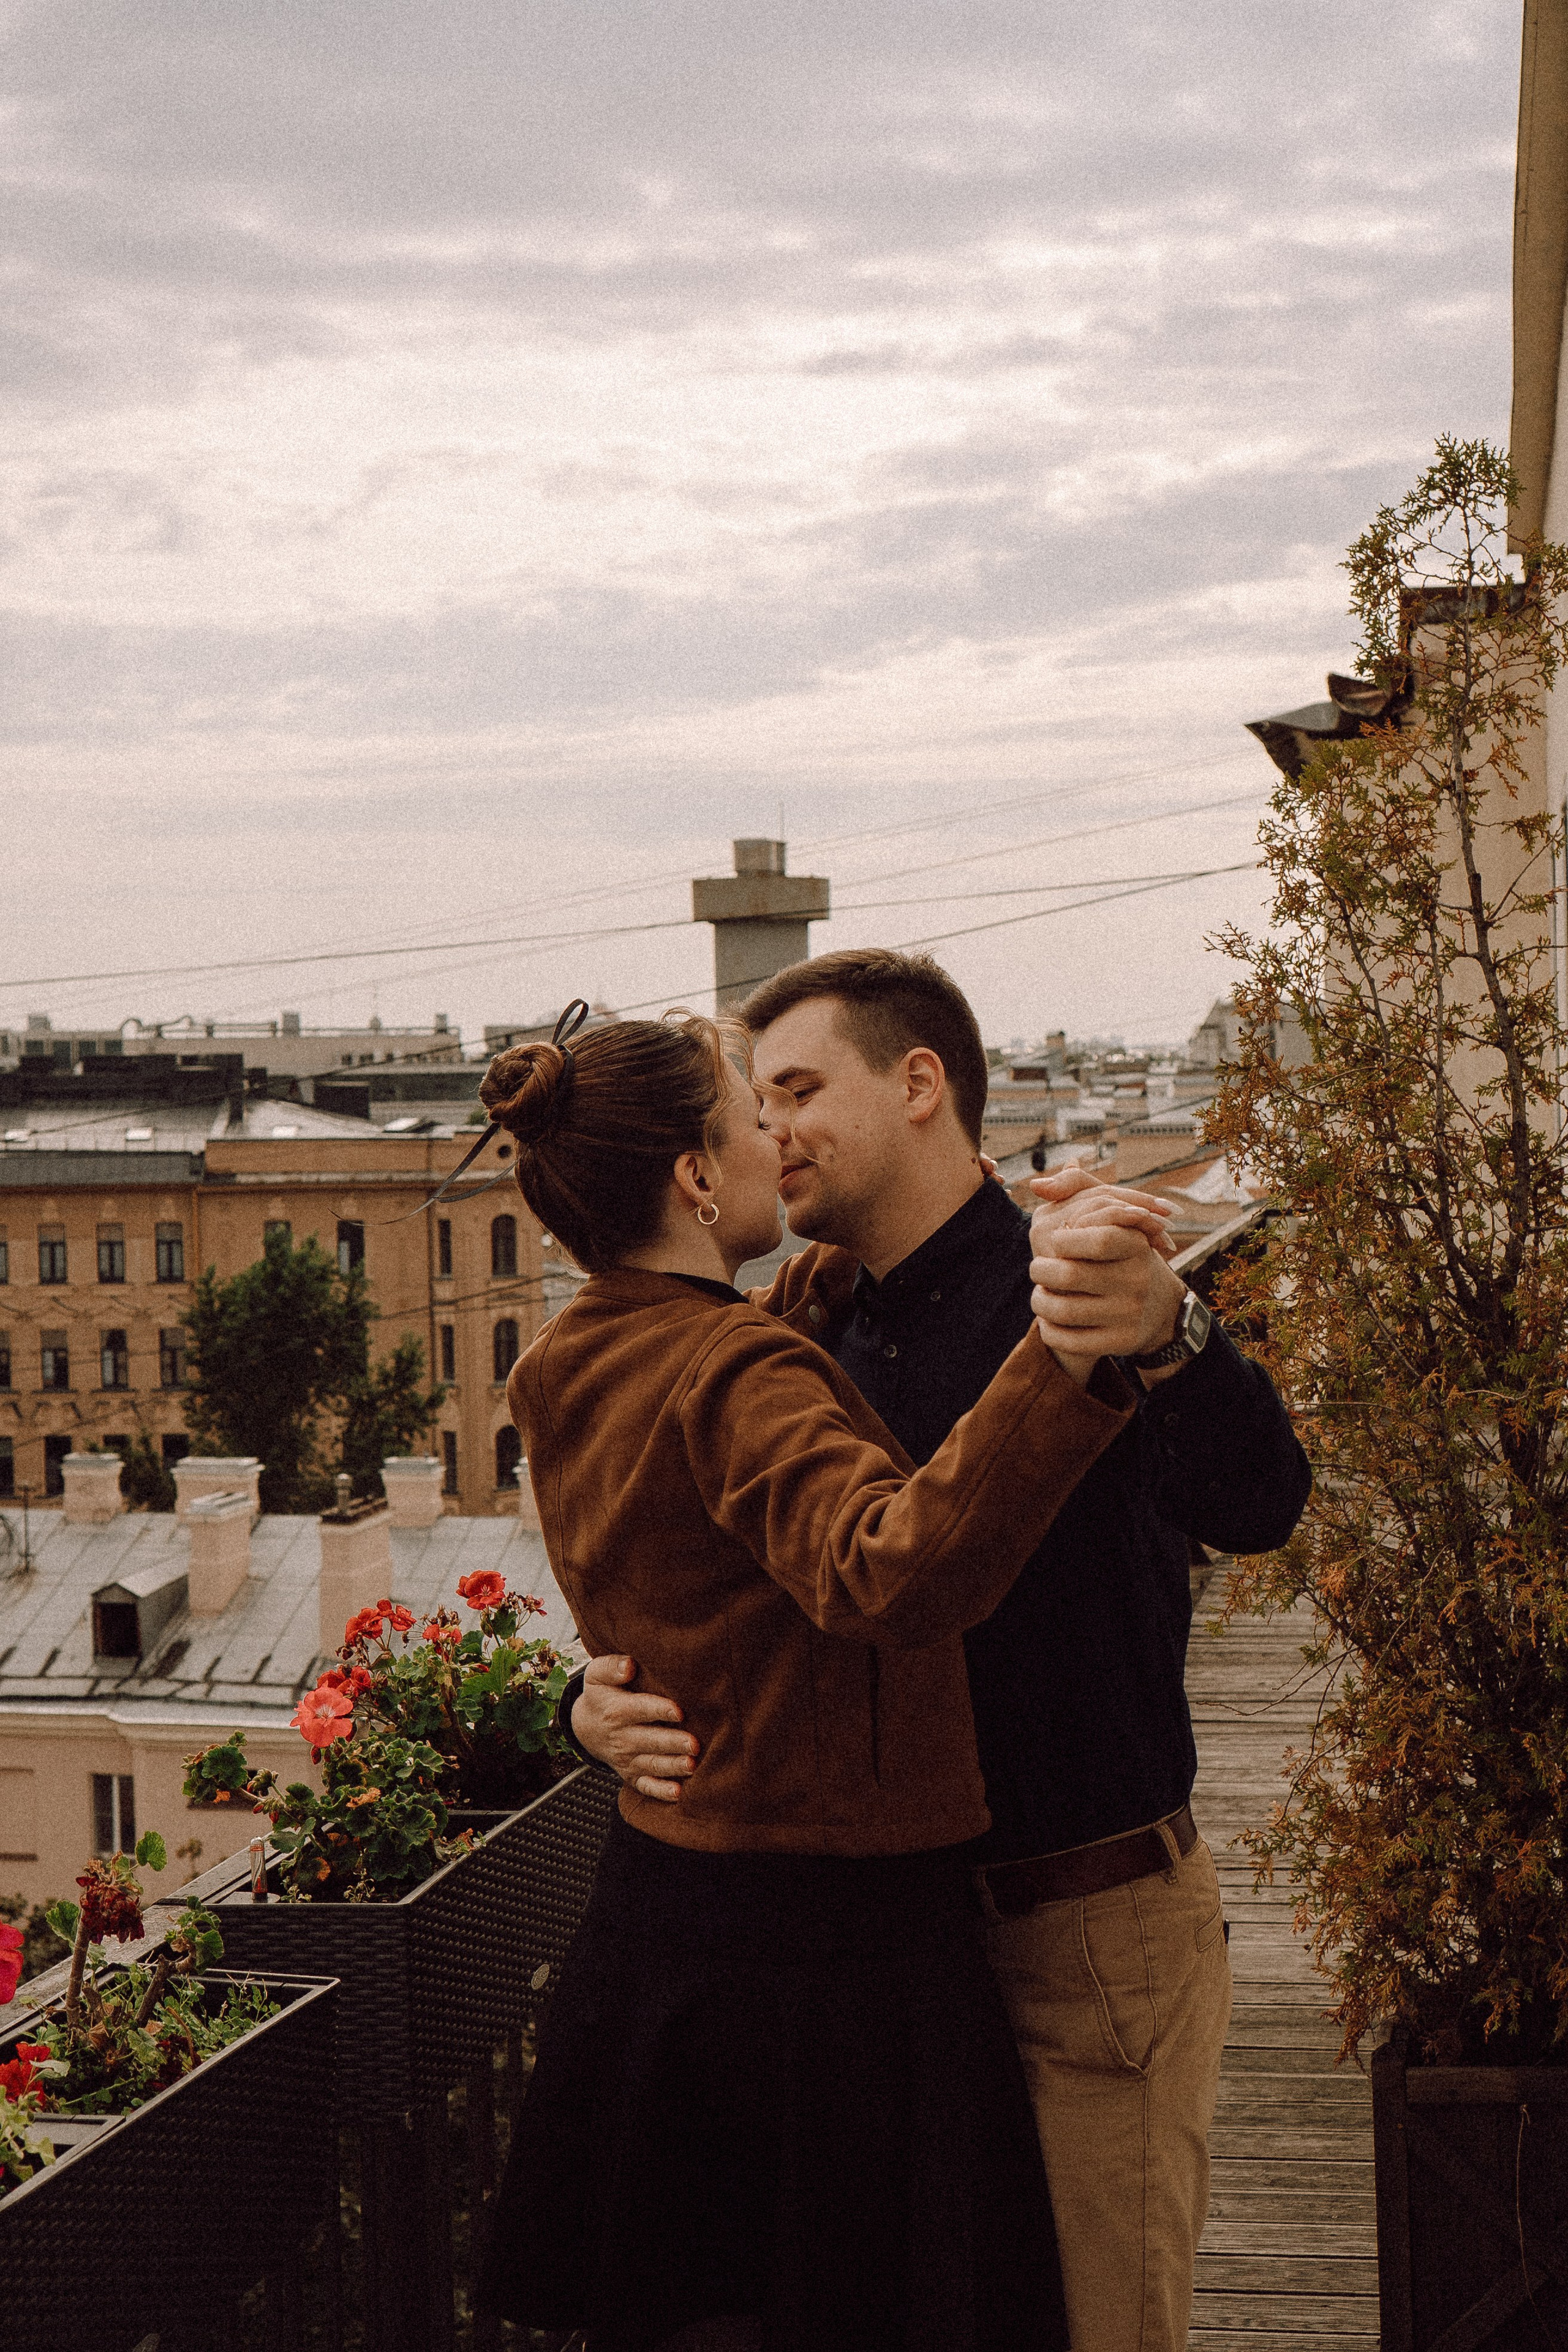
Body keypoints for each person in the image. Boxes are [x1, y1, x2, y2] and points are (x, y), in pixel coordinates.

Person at [565, 951, 1313, 2352]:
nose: (771, 1128)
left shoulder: (1068, 1283)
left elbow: (1261, 1504)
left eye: (799, 1091)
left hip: (1079, 1935)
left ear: (917, 1084)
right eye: (757, 1102)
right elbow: (685, 1561)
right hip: (882, 1969)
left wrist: (1174, 1332)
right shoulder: (807, 1321)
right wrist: (585, 1703)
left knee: (1099, 2325)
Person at [472, 1002, 1169, 2352]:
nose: (777, 1142)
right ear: (694, 1176)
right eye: (753, 1120)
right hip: (830, 1951)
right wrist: (1062, 1357)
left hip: (666, 1920)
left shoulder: (566, 1357)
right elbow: (886, 1573)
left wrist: (865, 1251)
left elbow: (704, 1435)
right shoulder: (731, 1369)